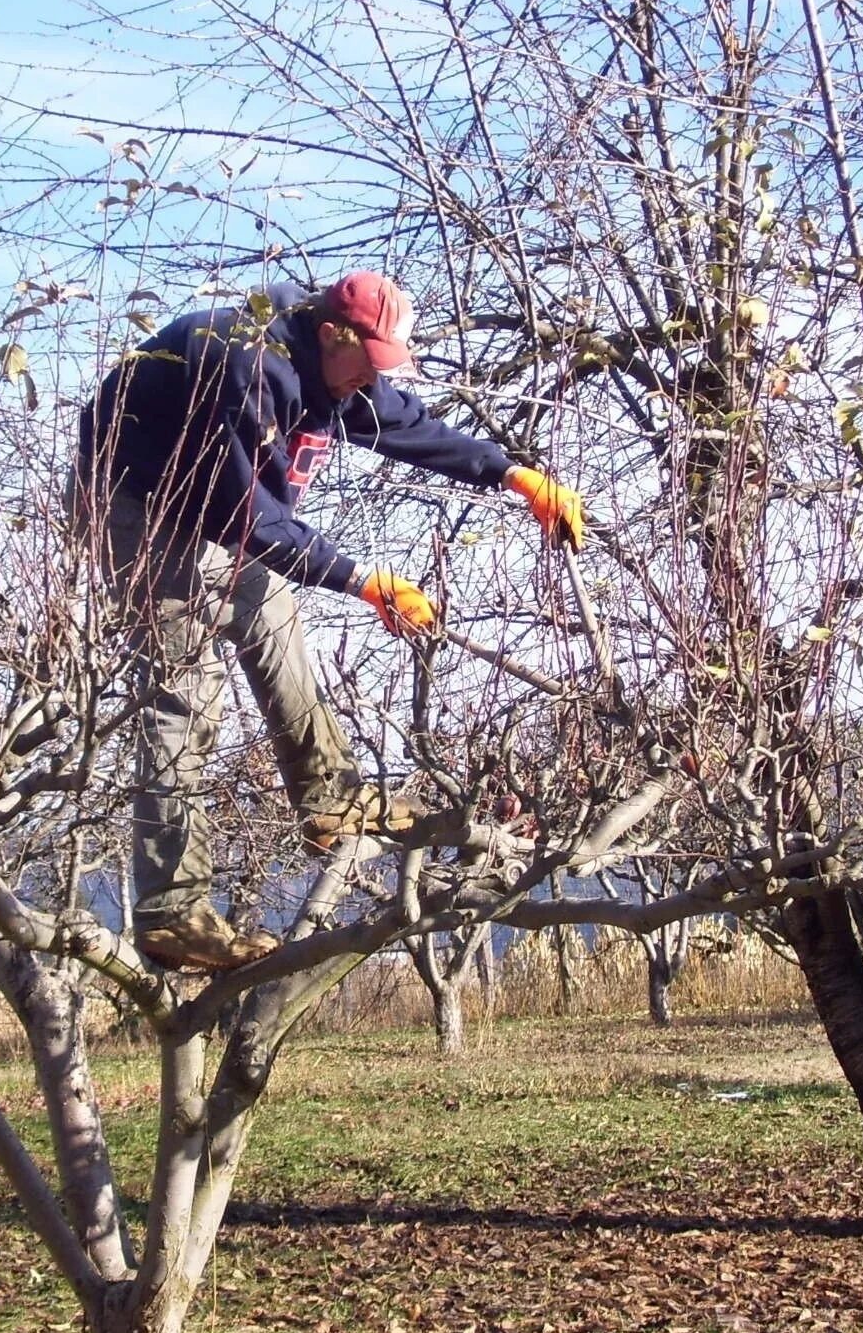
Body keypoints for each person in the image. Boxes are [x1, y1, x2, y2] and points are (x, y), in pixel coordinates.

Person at [75, 271, 586, 971]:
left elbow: (407, 424)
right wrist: (361, 580)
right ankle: (171, 913)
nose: (368, 383)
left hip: (215, 511)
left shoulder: (335, 370)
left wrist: (511, 474)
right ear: (330, 334)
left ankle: (329, 801)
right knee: (185, 693)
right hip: (135, 503)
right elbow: (246, 516)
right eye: (366, 366)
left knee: (274, 621)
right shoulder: (238, 362)